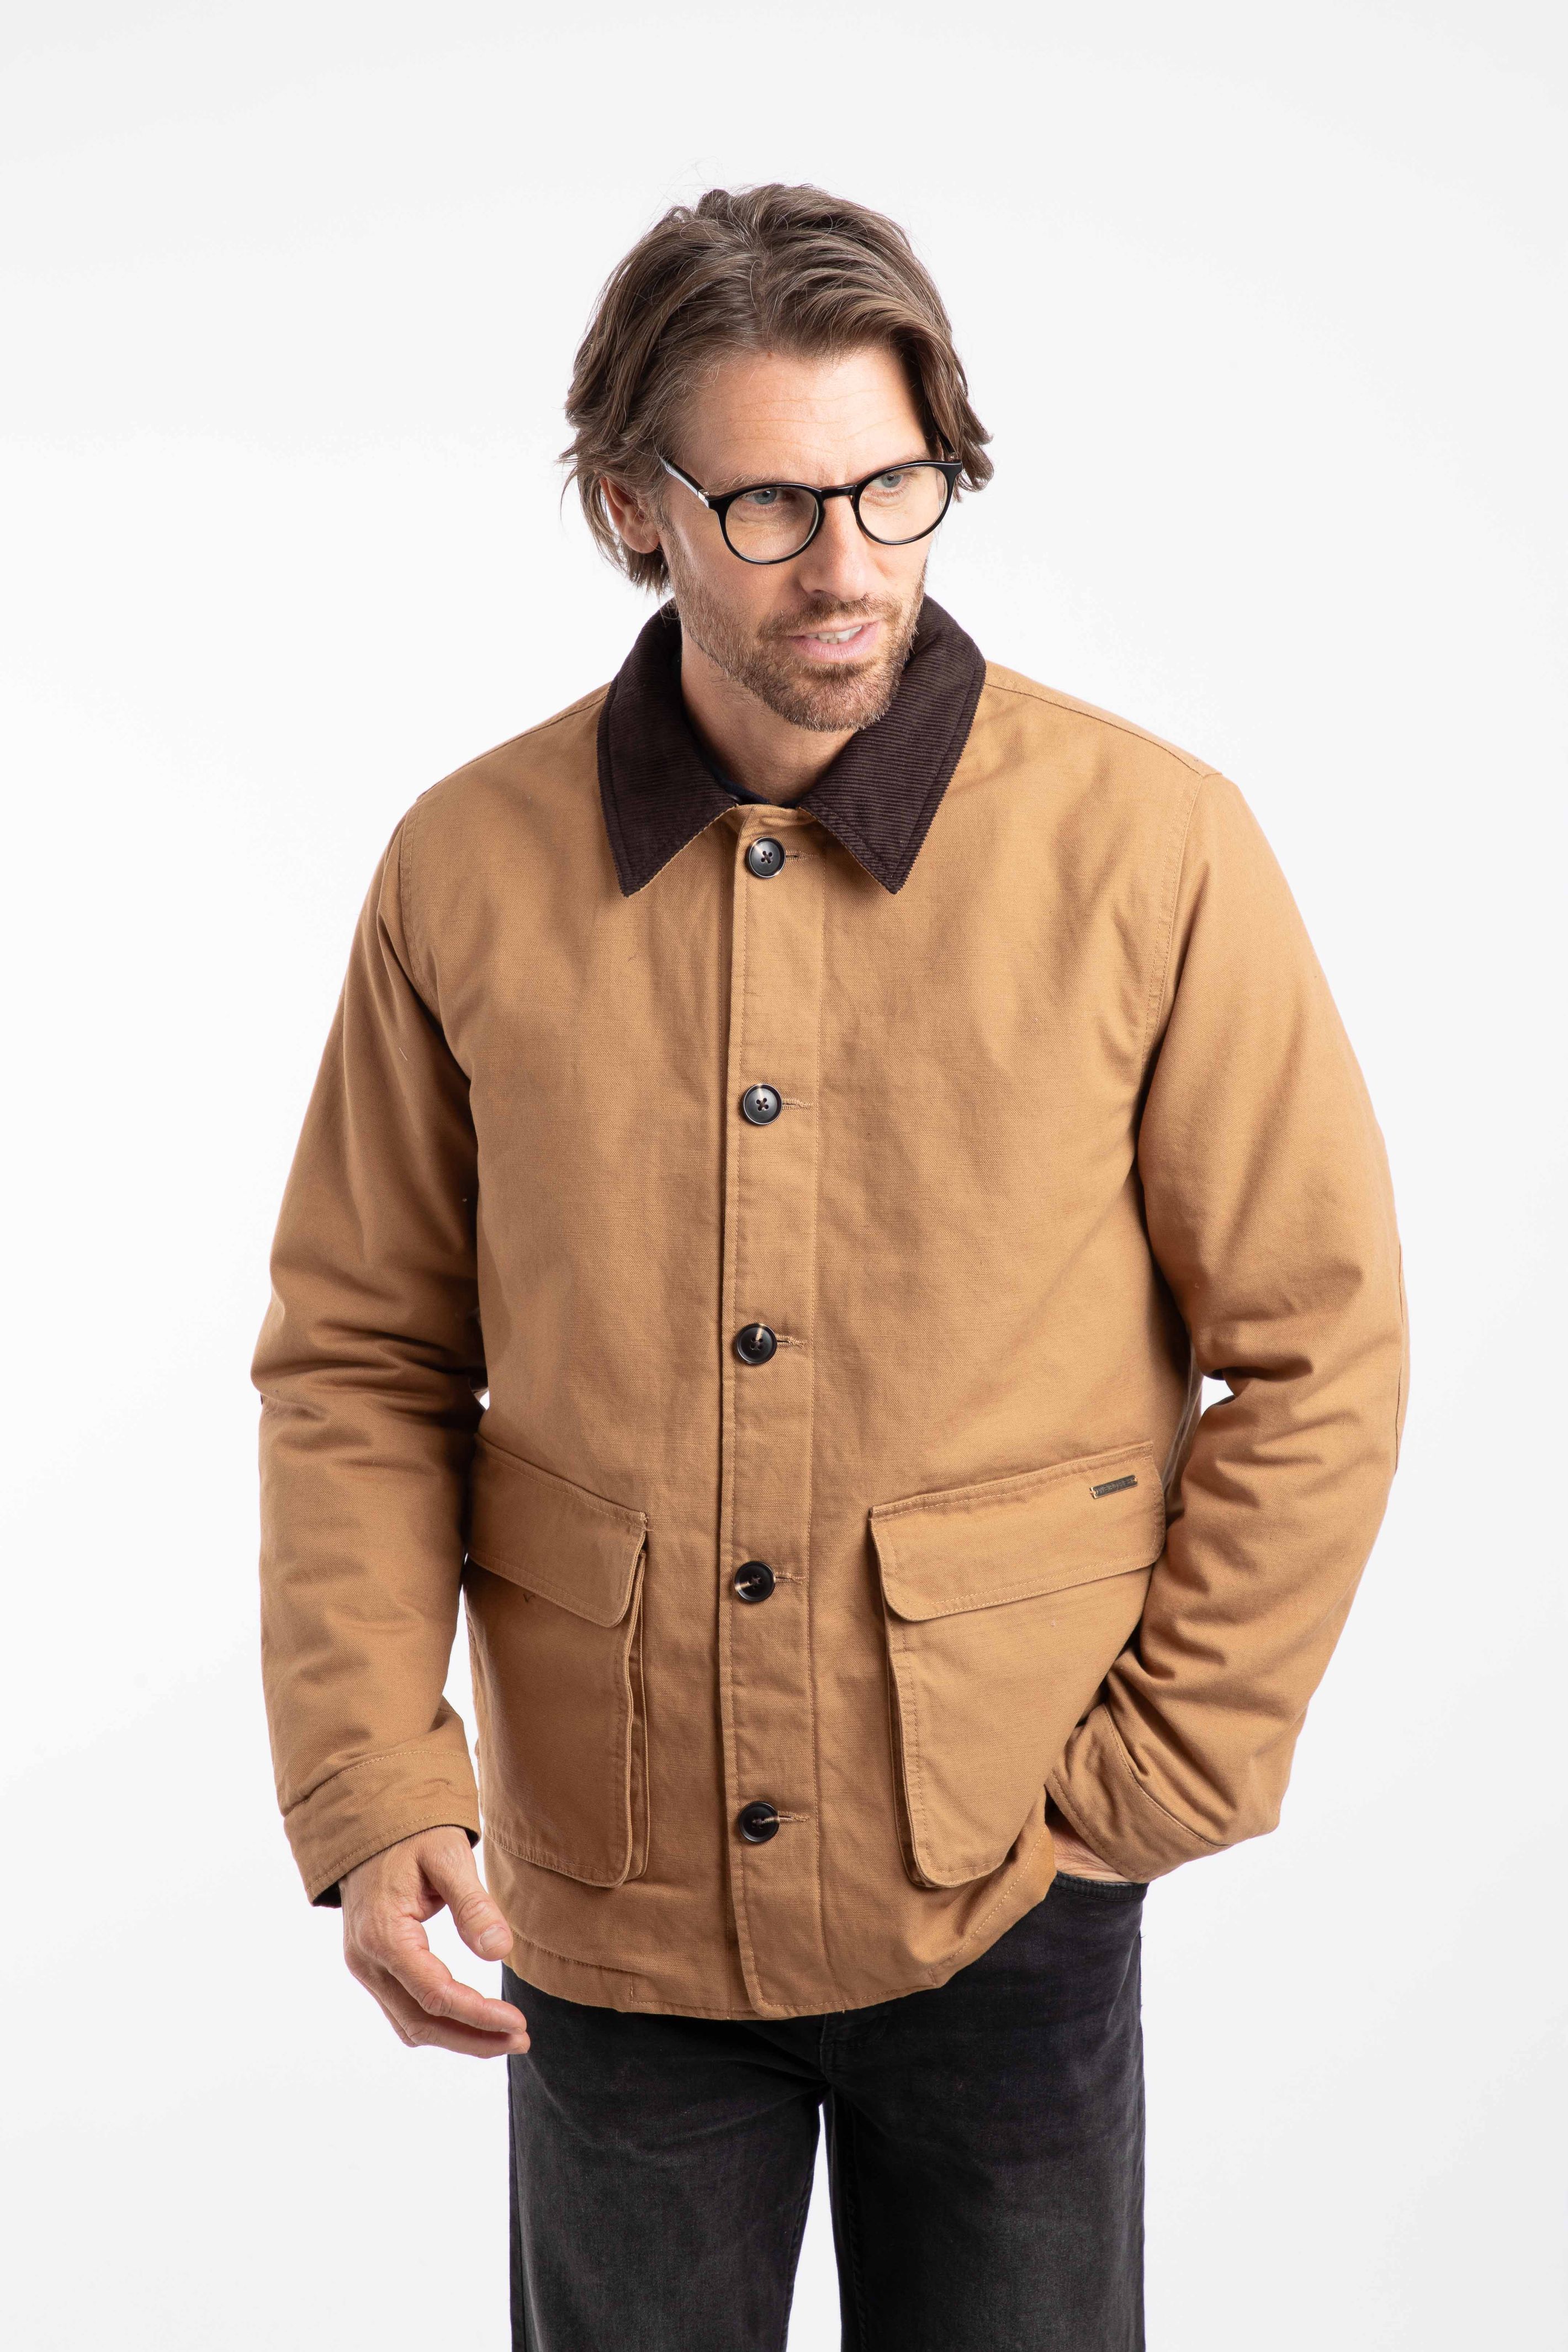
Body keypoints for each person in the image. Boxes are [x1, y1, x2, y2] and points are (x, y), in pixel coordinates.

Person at [252, 182, 1407, 2351]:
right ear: (634, 508)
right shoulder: (463, 867)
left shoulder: (1149, 846)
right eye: (771, 504)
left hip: (1008, 1873)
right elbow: (362, 1359)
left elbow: (1317, 1343)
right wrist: (375, 1777)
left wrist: (1151, 1780)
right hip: (606, 1892)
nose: (850, 564)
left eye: (894, 485)